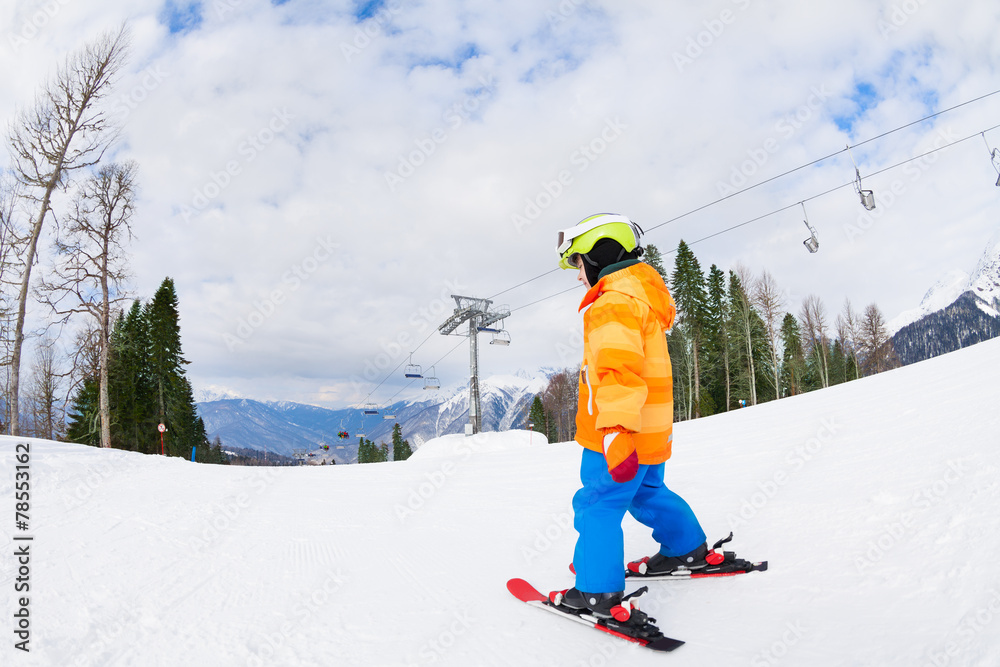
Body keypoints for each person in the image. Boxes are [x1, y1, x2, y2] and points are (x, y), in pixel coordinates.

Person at [553, 213, 711, 619]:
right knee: (647, 492)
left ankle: (595, 590)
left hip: (620, 432)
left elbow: (617, 372)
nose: (577, 276)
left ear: (599, 257)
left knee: (597, 504)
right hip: (651, 429)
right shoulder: (640, 298)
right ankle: (685, 546)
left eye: (578, 264)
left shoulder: (611, 305)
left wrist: (615, 432)